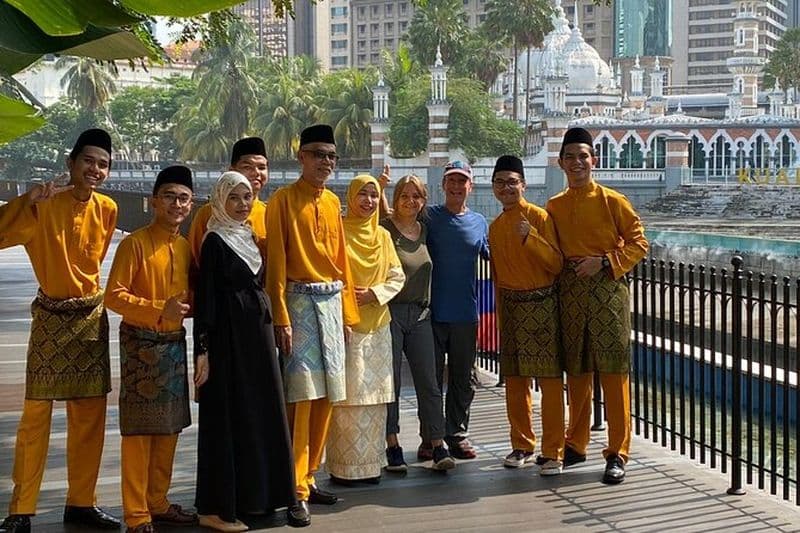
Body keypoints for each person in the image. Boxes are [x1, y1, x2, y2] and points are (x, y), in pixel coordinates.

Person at [0, 129, 121, 533]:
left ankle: (82, 502)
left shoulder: (107, 208)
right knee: (35, 415)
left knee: (90, 416)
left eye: (103, 164)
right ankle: (21, 509)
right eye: (88, 161)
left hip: (89, 317)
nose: (95, 170)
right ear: (71, 163)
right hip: (51, 318)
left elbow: (95, 259)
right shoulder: (43, 205)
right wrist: (27, 201)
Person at [193, 171, 308, 530]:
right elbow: (206, 299)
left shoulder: (246, 235)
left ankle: (260, 497)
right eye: (234, 198)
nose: (243, 204)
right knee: (230, 416)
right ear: (219, 200)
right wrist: (202, 351)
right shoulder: (215, 241)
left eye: (247, 197)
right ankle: (218, 507)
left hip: (257, 342)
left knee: (260, 413)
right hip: (229, 344)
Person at [265, 124, 359, 521]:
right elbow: (276, 262)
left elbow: (341, 261)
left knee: (327, 397)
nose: (326, 162)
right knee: (302, 397)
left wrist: (348, 314)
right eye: (318, 154)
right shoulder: (282, 200)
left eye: (332, 156)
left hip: (332, 303)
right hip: (299, 303)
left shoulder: (332, 202)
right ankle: (294, 487)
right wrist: (280, 317)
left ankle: (310, 475)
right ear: (301, 156)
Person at [546, 127, 648, 484]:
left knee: (614, 373)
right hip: (571, 295)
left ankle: (617, 451)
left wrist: (604, 261)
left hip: (607, 295)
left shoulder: (612, 201)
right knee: (577, 371)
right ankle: (576, 443)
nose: (577, 163)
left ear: (594, 160)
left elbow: (639, 244)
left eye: (583, 156)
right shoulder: (555, 206)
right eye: (570, 157)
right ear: (561, 163)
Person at [105, 165, 198, 533]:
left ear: (191, 205)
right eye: (169, 197)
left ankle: (157, 501)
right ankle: (136, 513)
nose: (177, 204)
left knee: (170, 428)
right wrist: (160, 309)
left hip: (173, 346)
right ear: (153, 202)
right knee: (139, 433)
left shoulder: (185, 246)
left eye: (183, 198)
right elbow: (114, 296)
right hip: (140, 347)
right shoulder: (135, 243)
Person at [487, 155, 565, 476]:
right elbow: (497, 275)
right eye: (500, 183)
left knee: (549, 382)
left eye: (512, 182)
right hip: (510, 306)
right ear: (493, 187)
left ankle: (553, 450)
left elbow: (556, 264)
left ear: (523, 185)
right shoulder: (495, 227)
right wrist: (498, 314)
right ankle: (522, 443)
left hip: (541, 304)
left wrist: (530, 238)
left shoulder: (539, 217)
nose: (506, 188)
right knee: (515, 381)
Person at [325, 175, 405, 483]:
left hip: (378, 327)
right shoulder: (337, 231)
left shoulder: (382, 236)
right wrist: (346, 302)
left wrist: (374, 294)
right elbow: (328, 273)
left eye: (374, 194)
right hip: (345, 326)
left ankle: (371, 465)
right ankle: (343, 468)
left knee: (374, 398)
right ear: (350, 196)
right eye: (363, 194)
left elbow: (397, 276)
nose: (369, 201)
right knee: (345, 399)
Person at [380, 174, 455, 472]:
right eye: (404, 196)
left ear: (423, 200)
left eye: (416, 196)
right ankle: (392, 444)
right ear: (396, 198)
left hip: (421, 314)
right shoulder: (384, 229)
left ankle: (438, 443)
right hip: (390, 313)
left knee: (429, 382)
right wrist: (380, 186)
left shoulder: (424, 230)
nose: (410, 201)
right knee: (392, 383)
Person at [424, 160, 489, 460]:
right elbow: (398, 224)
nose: (456, 186)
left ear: (470, 187)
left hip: (466, 313)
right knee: (431, 379)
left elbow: (496, 255)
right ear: (443, 185)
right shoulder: (429, 216)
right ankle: (431, 437)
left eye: (462, 181)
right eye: (451, 180)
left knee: (463, 379)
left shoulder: (479, 222)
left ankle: (457, 434)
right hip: (432, 313)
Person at [188, 137, 270, 266]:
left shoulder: (268, 214)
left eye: (262, 167)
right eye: (247, 167)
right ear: (232, 171)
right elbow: (195, 260)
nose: (256, 173)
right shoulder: (209, 213)